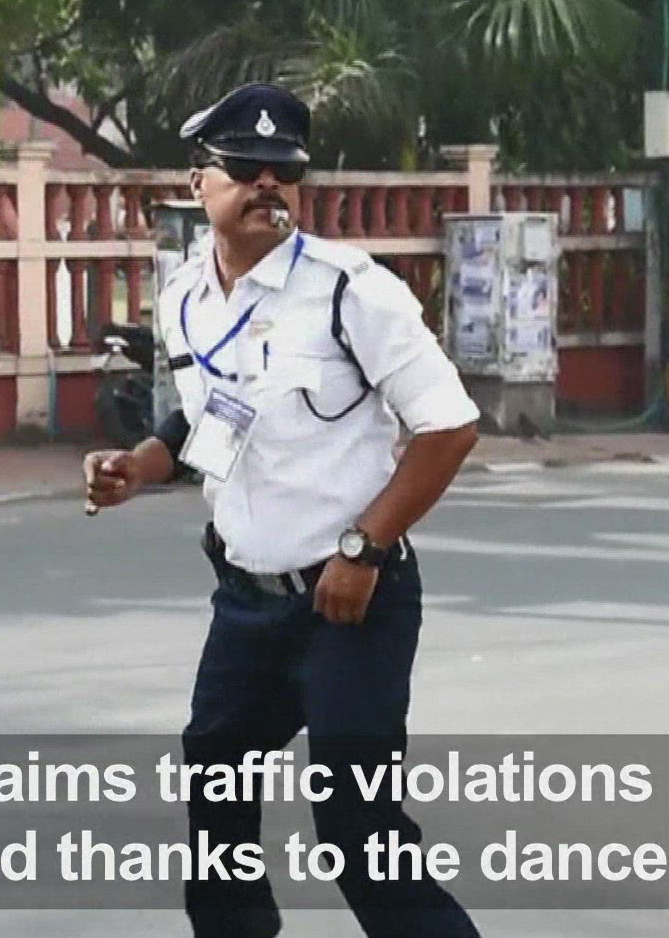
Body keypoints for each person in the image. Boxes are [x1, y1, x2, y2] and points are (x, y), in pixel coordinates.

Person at [81, 82, 483, 938]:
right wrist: (140, 466)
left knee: (357, 831)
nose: (269, 184)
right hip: (247, 602)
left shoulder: (350, 291)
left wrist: (365, 549)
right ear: (199, 183)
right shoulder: (186, 296)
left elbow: (449, 427)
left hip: (351, 601)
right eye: (246, 167)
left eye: (285, 171)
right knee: (215, 788)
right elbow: (211, 414)